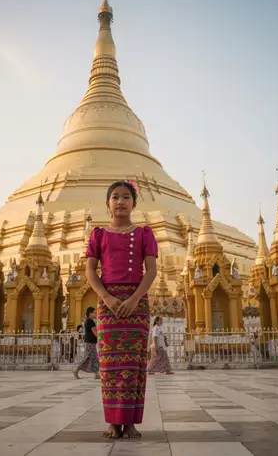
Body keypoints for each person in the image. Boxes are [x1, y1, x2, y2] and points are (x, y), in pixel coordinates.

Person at [86, 180, 158, 440]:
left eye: (126, 197)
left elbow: (151, 270)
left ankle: (130, 423)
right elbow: (90, 271)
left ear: (133, 203)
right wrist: (105, 296)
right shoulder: (98, 235)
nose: (120, 202)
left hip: (137, 303)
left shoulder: (144, 234)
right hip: (108, 302)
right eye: (115, 197)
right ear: (108, 203)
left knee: (134, 363)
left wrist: (134, 298)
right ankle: (113, 422)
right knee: (110, 365)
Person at [73, 307, 100, 379]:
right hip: (90, 342)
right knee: (87, 358)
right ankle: (76, 369)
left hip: (90, 342)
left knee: (94, 358)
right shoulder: (90, 321)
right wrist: (100, 338)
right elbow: (94, 331)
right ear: (90, 313)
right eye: (94, 312)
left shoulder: (88, 321)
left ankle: (97, 374)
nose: (95, 314)